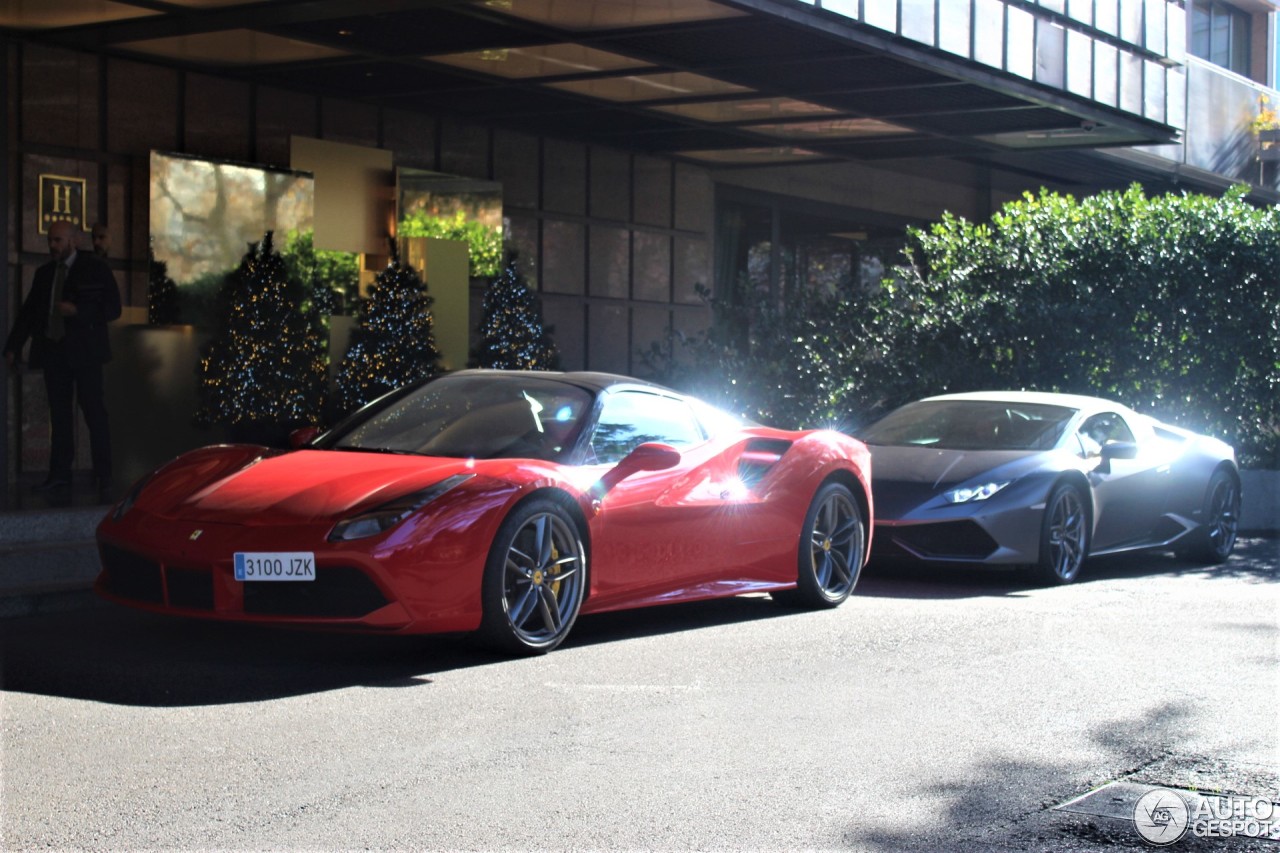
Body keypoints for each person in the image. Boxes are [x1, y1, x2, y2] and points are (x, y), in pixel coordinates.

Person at [5, 220, 122, 496]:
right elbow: (30, 312)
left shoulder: (95, 268)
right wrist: (13, 347)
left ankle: (104, 475)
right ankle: (60, 474)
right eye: (50, 240)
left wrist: (78, 311)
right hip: (54, 352)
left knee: (93, 412)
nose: (53, 245)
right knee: (59, 415)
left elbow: (112, 308)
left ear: (74, 241)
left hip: (86, 353)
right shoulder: (45, 274)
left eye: (58, 240)